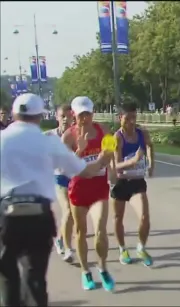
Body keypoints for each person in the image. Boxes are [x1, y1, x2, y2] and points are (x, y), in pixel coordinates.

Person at [0, 93, 113, 306]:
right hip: (38, 215)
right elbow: (83, 171)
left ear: (14, 114)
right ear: (41, 116)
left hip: (6, 215)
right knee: (34, 277)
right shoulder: (49, 142)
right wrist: (100, 162)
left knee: (7, 277)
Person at [61, 96, 116, 291]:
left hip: (99, 188)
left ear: (93, 113)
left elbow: (109, 153)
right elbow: (66, 168)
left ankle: (102, 267)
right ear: (74, 115)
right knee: (81, 232)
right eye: (81, 115)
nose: (85, 118)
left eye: (88, 114)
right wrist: (79, 152)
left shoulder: (105, 131)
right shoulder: (68, 137)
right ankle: (85, 271)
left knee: (100, 229)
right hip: (78, 190)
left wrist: (100, 162)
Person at [111, 103, 155, 266]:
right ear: (119, 118)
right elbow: (115, 165)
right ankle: (122, 249)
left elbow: (150, 146)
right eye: (127, 118)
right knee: (118, 218)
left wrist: (151, 164)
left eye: (134, 118)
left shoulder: (142, 133)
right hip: (121, 183)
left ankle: (141, 247)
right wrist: (133, 161)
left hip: (137, 181)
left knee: (145, 216)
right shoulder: (116, 137)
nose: (131, 122)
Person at [44, 104, 76, 262]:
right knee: (68, 211)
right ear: (56, 117)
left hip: (76, 179)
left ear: (73, 116)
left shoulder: (76, 134)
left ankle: (60, 238)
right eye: (62, 116)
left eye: (68, 116)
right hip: (59, 178)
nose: (65, 119)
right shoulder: (48, 136)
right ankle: (68, 248)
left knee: (76, 215)